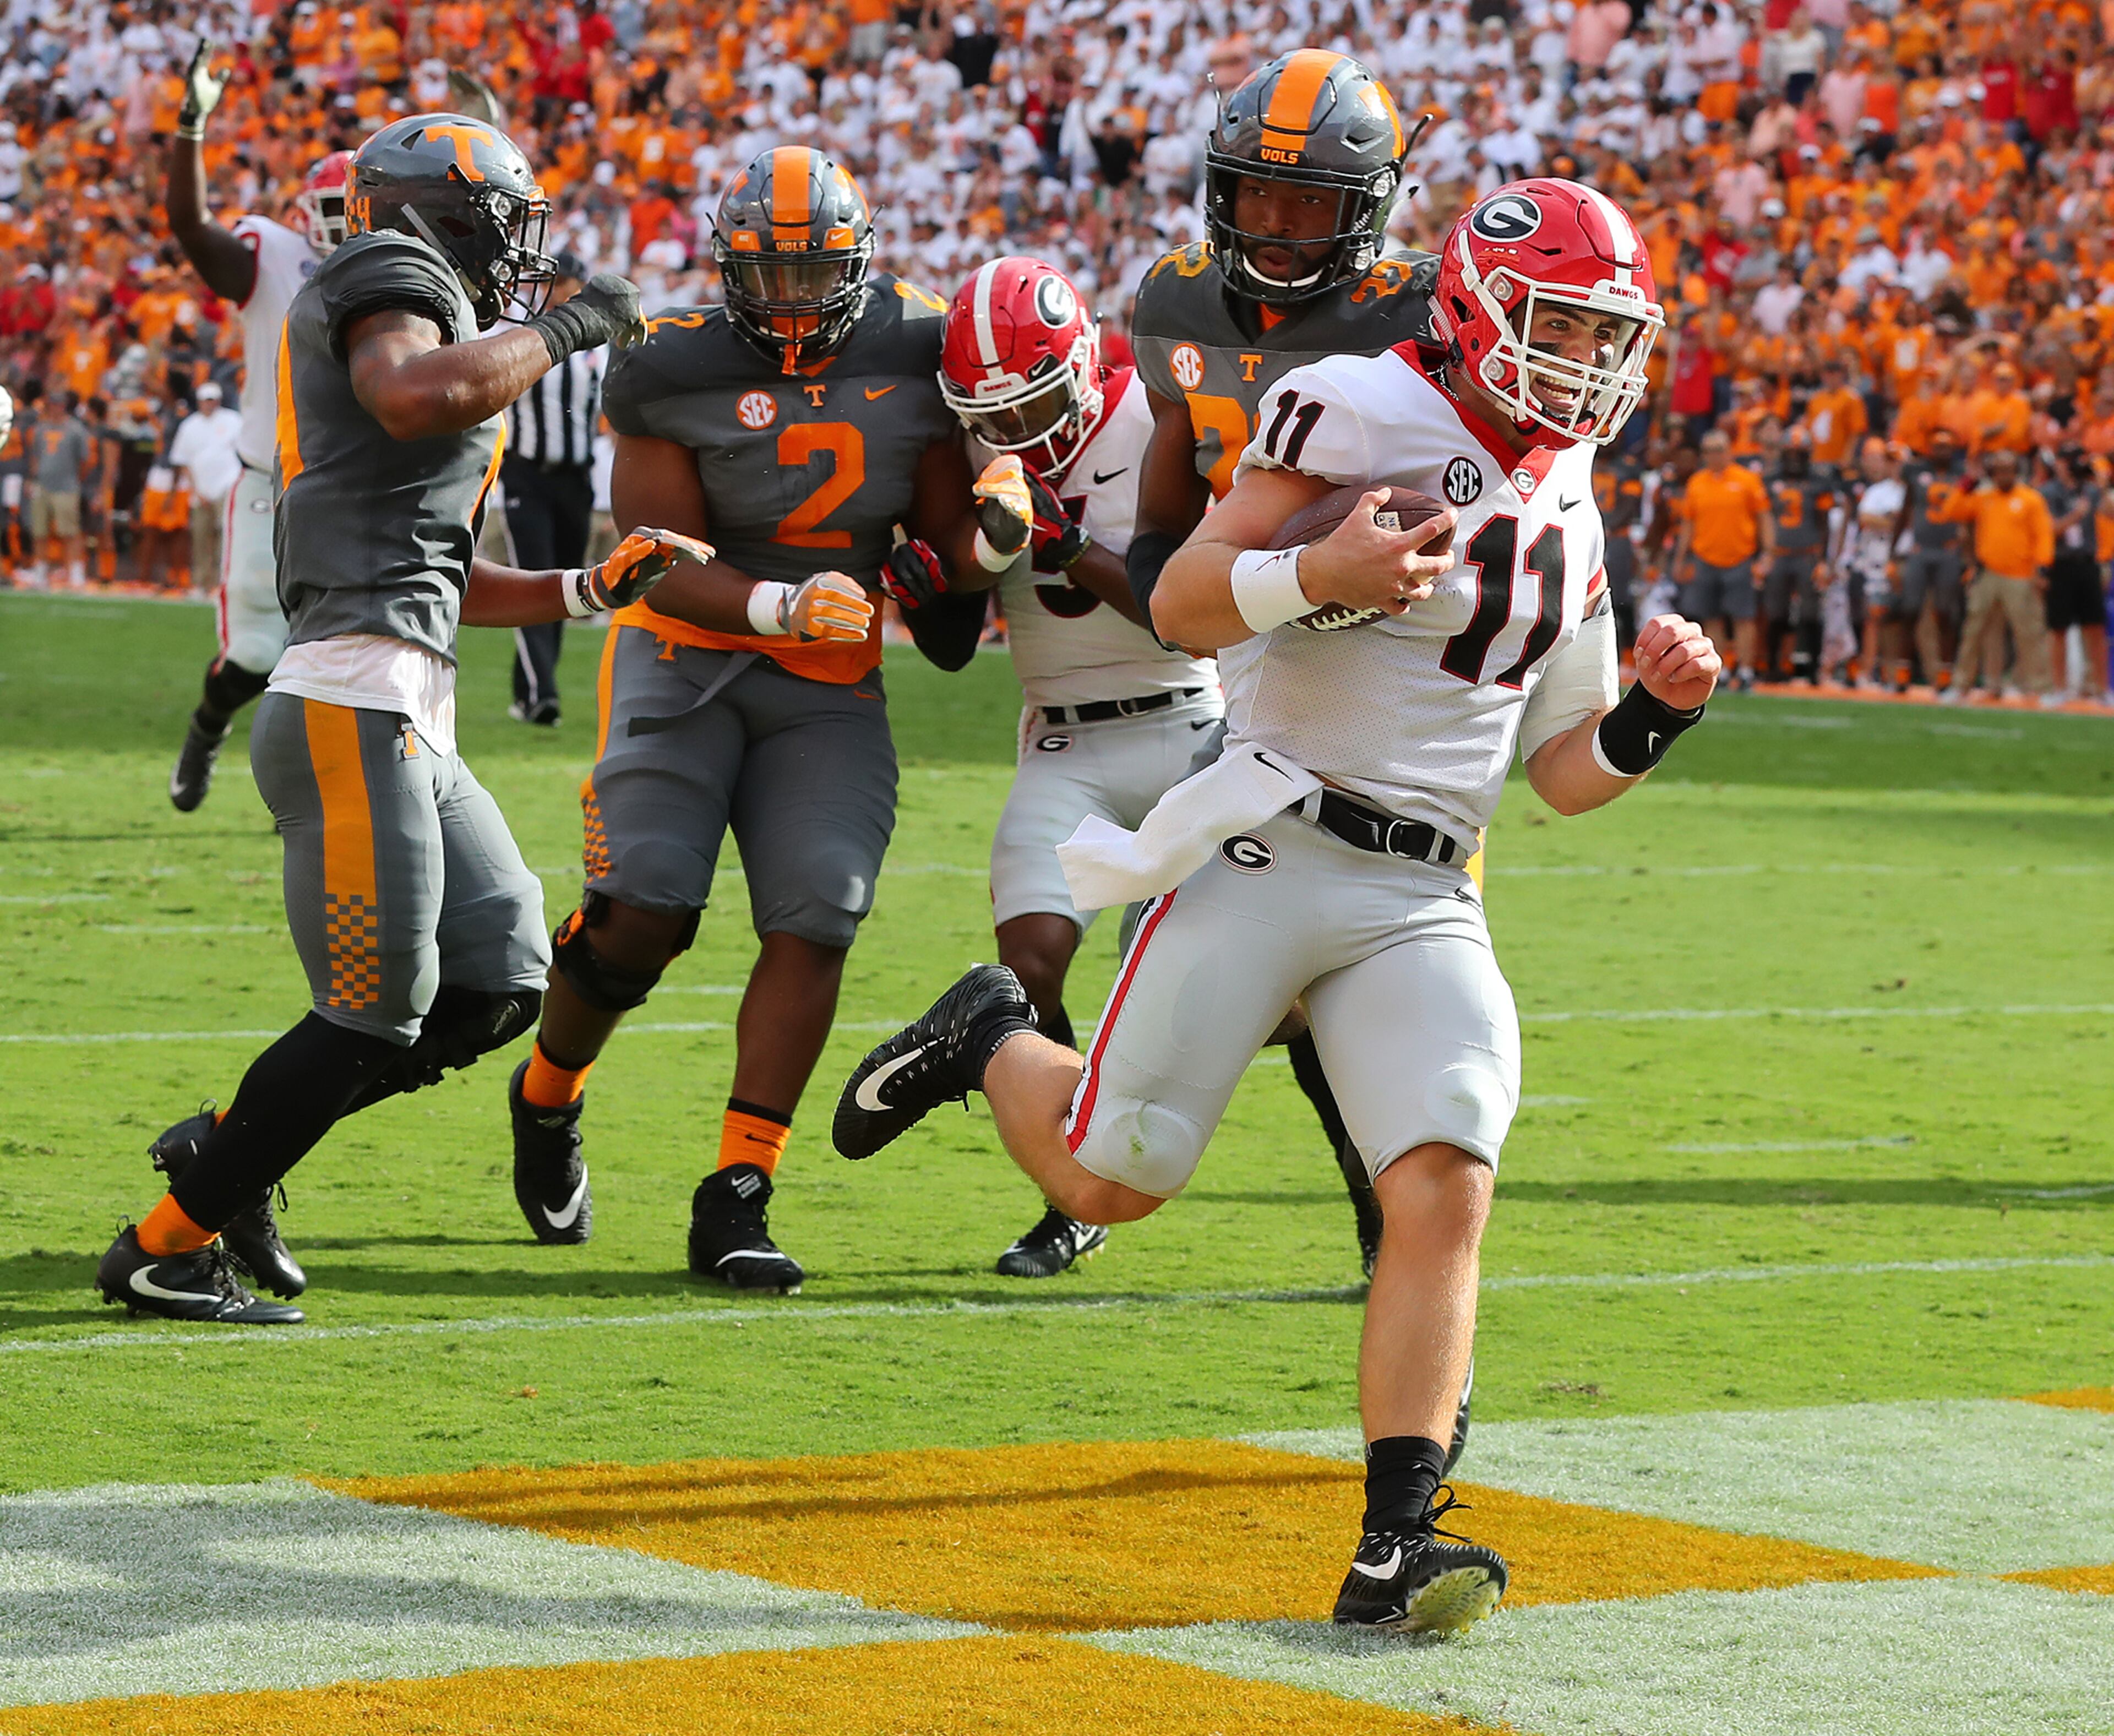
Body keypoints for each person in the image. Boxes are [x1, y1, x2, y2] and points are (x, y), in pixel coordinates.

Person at [836, 179, 1715, 1635]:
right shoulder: (1354, 407)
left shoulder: (1572, 487)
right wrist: (1320, 569)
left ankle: (1397, 1539)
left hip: (1424, 888)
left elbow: (1563, 771)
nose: (1582, 354)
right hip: (1269, 839)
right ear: (1483, 307)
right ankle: (992, 1031)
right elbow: (1180, 599)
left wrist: (1656, 720)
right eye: (1559, 319)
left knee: (1443, 1174)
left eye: (1602, 329)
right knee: (1114, 1177)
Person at [95, 112, 678, 1325]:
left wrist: (586, 587)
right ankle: (161, 1246)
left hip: (403, 703)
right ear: (443, 212)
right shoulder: (384, 275)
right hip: (351, 709)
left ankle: (224, 1153)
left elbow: (443, 576)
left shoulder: (418, 296)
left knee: (501, 978)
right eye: (506, 223)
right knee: (373, 1007)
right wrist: (563, 325)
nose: (518, 253)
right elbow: (417, 397)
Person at [506, 146, 991, 1291]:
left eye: (811, 276)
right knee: (643, 910)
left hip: (826, 684)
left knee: (822, 904)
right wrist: (780, 599)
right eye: (763, 279)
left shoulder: (920, 347)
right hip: (686, 660)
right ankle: (547, 1093)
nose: (787, 304)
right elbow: (651, 565)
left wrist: (986, 535)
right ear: (726, 270)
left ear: (860, 267)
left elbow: (937, 546)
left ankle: (737, 1187)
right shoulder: (668, 364)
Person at [1126, 48, 1435, 1277]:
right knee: (1270, 944)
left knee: (1342, 951)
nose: (1278, 221)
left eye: (1308, 200)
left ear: (1366, 210)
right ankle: (1087, 1160)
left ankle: (1375, 1209)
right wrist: (1166, 581)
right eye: (1257, 192)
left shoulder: (1419, 314)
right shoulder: (1176, 298)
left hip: (1387, 673)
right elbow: (1165, 481)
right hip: (1249, 644)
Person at [906, 255, 1223, 1278]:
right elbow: (956, 645)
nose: (1022, 431)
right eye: (995, 415)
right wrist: (934, 589)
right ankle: (1074, 1184)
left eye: (1040, 401)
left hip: (1190, 730)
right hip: (1065, 741)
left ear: (1085, 363)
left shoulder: (1158, 420)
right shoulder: (971, 448)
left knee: (1290, 998)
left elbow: (1195, 623)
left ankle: (1371, 1202)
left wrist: (1073, 540)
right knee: (1027, 966)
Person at [162, 39, 354, 812]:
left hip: (349, 484)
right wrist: (190, 129)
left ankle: (322, 792)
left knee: (343, 653)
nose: (344, 227)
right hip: (266, 479)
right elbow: (190, 225)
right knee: (252, 652)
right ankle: (207, 730)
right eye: (333, 211)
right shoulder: (274, 256)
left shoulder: (407, 269)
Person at [500, 251, 604, 727]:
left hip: (574, 480)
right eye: (558, 282)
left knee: (563, 586)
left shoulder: (596, 349)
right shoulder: (521, 340)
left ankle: (528, 690)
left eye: (570, 282)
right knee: (533, 580)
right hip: (528, 475)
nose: (564, 291)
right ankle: (544, 694)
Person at [1938, 447, 2055, 703]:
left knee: (2030, 633)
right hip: (1988, 574)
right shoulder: (1984, 497)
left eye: (2008, 470)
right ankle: (1963, 686)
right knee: (1974, 631)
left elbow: (2043, 535)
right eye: (1999, 471)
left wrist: (2042, 568)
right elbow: (1951, 511)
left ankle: (2043, 688)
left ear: (2017, 472)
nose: (2004, 475)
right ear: (1992, 473)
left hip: (2021, 575)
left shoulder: (2030, 499)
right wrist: (1967, 482)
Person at [1671, 428, 1773, 686]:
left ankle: (1747, 670)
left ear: (1729, 452)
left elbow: (1764, 518)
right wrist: (1681, 558)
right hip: (1705, 558)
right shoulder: (1697, 482)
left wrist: (1768, 553)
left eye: (1718, 450)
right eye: (1708, 451)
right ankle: (1723, 669)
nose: (1713, 456)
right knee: (1711, 616)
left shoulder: (1748, 480)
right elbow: (1688, 524)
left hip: (1740, 557)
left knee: (1743, 617)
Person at [1759, 427, 1837, 682]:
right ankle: (1773, 665)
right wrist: (1763, 554)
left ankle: (1813, 670)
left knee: (1811, 613)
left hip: (1808, 554)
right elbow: (1763, 521)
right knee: (1776, 613)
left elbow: (1825, 523)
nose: (1794, 458)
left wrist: (1824, 560)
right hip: (1779, 553)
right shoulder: (1769, 480)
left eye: (1799, 453)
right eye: (1790, 452)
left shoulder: (1819, 481)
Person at [1899, 428, 1969, 685]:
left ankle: (1945, 671)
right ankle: (1903, 669)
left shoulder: (1962, 475)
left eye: (1947, 446)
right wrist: (1893, 552)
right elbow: (1905, 510)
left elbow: (1970, 515)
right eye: (1937, 446)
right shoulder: (1917, 472)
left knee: (1946, 612)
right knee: (1910, 609)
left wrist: (1970, 557)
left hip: (1949, 550)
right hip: (1920, 549)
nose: (1942, 451)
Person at [2041, 446, 2109, 703]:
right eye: (2066, 460)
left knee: (2095, 627)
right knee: (2058, 629)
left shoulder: (2091, 490)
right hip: (2061, 564)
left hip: (2087, 563)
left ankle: (2101, 690)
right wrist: (2076, 515)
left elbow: (2110, 512)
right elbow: (2049, 529)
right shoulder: (2048, 492)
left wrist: (2103, 484)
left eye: (2074, 461)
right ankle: (2059, 689)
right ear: (2058, 463)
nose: (2070, 466)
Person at [167, 380, 243, 595]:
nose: (209, 404)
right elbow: (183, 462)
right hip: (201, 490)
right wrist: (196, 490)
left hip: (227, 485)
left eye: (212, 400)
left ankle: (223, 583)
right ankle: (202, 583)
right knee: (201, 538)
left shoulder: (233, 421)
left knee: (225, 537)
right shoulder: (189, 426)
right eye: (205, 400)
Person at [24, 390, 92, 589]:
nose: (54, 408)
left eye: (57, 404)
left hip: (66, 487)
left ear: (63, 406)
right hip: (42, 485)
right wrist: (32, 479)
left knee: (69, 532)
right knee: (39, 532)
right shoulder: (40, 429)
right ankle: (40, 574)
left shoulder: (75, 430)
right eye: (51, 404)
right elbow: (35, 458)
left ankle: (76, 573)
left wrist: (75, 480)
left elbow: (85, 461)